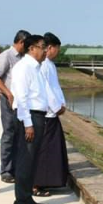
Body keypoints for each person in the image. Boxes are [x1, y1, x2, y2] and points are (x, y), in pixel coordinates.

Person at [9, 34, 49, 204]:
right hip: (30, 117)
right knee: (26, 159)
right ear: (31, 48)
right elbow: (21, 98)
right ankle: (22, 200)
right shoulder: (23, 68)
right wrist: (28, 124)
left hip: (38, 115)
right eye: (42, 47)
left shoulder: (36, 68)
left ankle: (27, 197)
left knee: (32, 160)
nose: (45, 51)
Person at [0, 30, 31, 183]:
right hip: (8, 100)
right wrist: (8, 93)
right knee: (9, 133)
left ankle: (16, 167)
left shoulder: (24, 58)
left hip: (21, 102)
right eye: (26, 45)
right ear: (20, 42)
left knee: (20, 134)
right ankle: (6, 170)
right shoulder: (6, 56)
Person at [33, 32, 69, 195]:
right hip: (47, 113)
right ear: (49, 48)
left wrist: (61, 104)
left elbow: (55, 88)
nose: (58, 52)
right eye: (57, 49)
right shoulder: (43, 65)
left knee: (52, 149)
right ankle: (37, 183)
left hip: (52, 113)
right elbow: (46, 90)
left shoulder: (50, 65)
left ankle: (47, 181)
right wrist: (56, 106)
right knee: (45, 150)